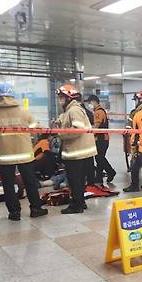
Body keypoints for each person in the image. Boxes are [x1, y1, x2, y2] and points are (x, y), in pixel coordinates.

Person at [0, 83, 47, 221]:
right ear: (12, 95)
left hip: (5, 156)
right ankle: (36, 208)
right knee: (30, 182)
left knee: (8, 184)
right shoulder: (23, 111)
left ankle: (14, 212)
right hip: (24, 153)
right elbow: (34, 128)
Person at [55, 84, 98, 214]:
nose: (59, 100)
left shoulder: (74, 110)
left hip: (77, 153)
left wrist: (61, 133)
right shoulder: (70, 110)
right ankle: (80, 202)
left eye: (61, 97)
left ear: (68, 98)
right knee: (78, 181)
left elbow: (77, 129)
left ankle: (77, 205)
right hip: (79, 152)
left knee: (75, 181)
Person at [85, 94, 116, 185]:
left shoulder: (99, 112)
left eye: (90, 102)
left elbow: (96, 126)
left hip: (102, 139)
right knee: (99, 158)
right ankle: (108, 173)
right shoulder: (97, 111)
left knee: (99, 158)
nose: (89, 104)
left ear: (94, 101)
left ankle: (101, 177)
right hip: (100, 138)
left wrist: (86, 128)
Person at [123, 91, 142, 193]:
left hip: (138, 144)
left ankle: (134, 185)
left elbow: (129, 130)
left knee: (135, 166)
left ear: (139, 100)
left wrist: (131, 144)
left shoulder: (134, 113)